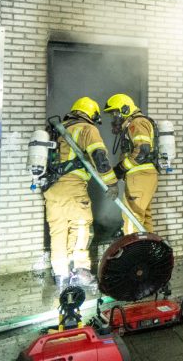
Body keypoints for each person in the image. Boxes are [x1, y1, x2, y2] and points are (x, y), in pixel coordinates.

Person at [45, 97, 117, 288]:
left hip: (51, 189)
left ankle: (61, 276)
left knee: (58, 231)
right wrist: (111, 183)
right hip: (73, 187)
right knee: (81, 227)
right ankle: (81, 271)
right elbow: (100, 157)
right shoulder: (86, 128)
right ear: (91, 114)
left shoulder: (55, 130)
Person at [104, 94, 159, 234]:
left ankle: (133, 248)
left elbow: (142, 150)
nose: (114, 118)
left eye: (115, 113)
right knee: (144, 218)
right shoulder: (137, 122)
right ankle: (148, 247)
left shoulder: (136, 123)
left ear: (125, 109)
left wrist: (121, 168)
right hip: (145, 177)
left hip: (139, 176)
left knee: (131, 218)